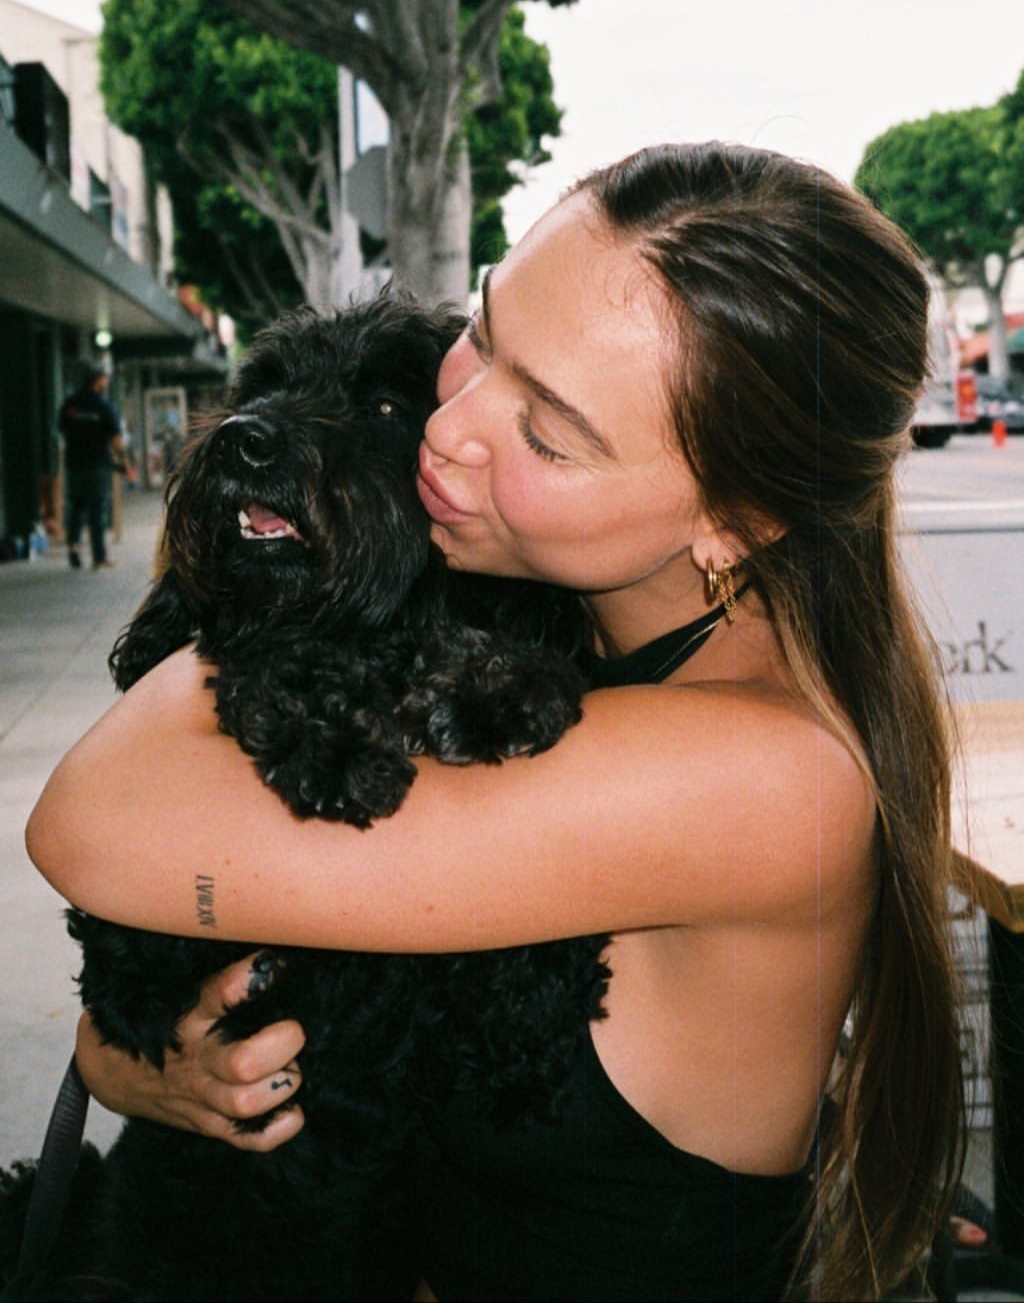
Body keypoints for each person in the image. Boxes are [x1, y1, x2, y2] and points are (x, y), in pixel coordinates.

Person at [27, 144, 964, 1301]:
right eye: (484, 332)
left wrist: (276, 596)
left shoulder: (765, 776)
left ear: (735, 517)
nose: (452, 424)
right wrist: (134, 1059)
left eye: (549, 430)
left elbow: (93, 821)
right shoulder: (553, 634)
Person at [57, 362, 124, 569]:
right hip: (97, 465)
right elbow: (116, 440)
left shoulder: (71, 404)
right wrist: (125, 462)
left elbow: (61, 428)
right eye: (104, 379)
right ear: (98, 381)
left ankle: (73, 546)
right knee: (96, 511)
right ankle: (99, 557)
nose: (106, 382)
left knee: (76, 507)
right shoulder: (103, 406)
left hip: (74, 464)